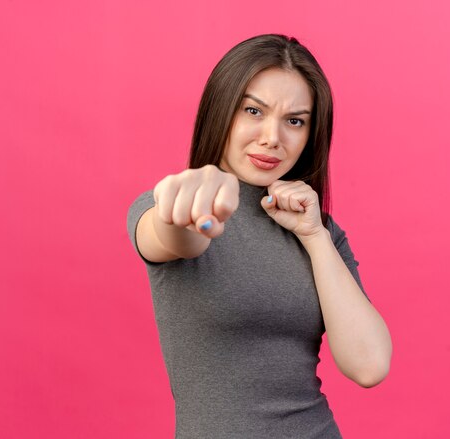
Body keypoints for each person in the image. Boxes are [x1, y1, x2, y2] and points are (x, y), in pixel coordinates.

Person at [127, 34, 392, 439]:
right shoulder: (176, 206)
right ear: (221, 111)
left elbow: (369, 366)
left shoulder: (320, 232)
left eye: (294, 120)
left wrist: (314, 236)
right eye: (254, 110)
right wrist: (191, 204)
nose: (273, 137)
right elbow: (177, 234)